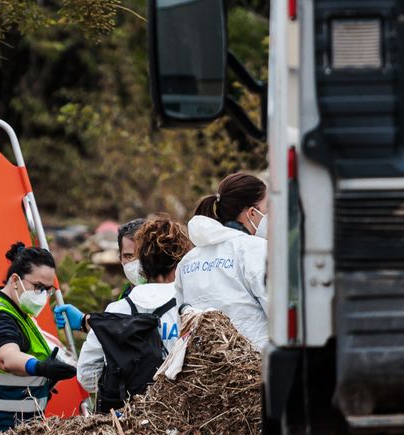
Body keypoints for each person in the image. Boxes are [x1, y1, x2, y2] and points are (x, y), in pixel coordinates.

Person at [0, 242, 77, 435]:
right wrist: (39, 367)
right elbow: (6, 356)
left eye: (48, 290)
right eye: (38, 287)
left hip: (11, 430)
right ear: (15, 280)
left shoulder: (17, 310)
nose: (43, 296)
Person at [76, 215, 190, 405]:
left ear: (142, 263)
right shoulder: (189, 309)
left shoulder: (115, 310)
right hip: (177, 417)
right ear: (180, 260)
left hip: (126, 422)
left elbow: (86, 375)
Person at [175, 172, 269, 348]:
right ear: (252, 213)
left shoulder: (188, 261)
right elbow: (279, 314)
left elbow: (183, 319)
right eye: (268, 209)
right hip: (255, 367)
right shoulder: (256, 250)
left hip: (204, 371)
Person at [116, 218, 146, 300]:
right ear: (120, 259)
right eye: (129, 256)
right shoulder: (124, 297)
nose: (137, 263)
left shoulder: (176, 296)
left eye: (143, 255)